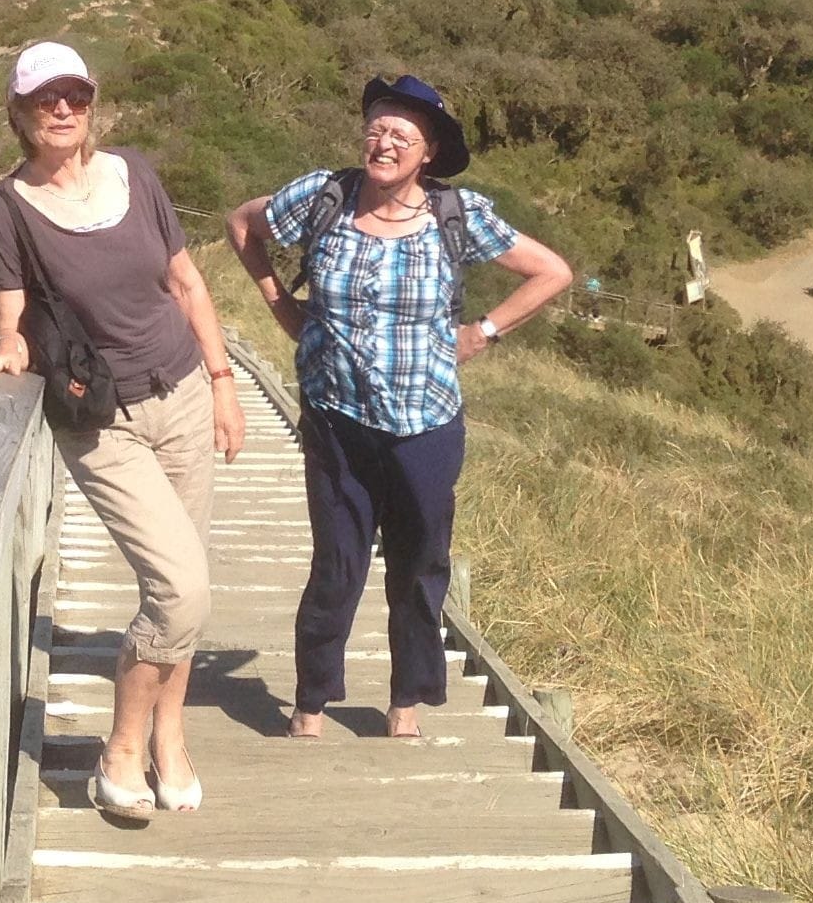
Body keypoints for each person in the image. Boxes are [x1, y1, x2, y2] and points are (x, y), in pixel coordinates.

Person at [229, 74, 573, 740]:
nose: (383, 142)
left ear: (428, 155)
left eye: (402, 136)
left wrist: (484, 331)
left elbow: (551, 271)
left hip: (426, 425)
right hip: (336, 417)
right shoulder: (323, 197)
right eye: (377, 128)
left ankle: (405, 701)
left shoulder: (458, 215)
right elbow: (243, 224)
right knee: (336, 565)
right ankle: (311, 702)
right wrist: (279, 301)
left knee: (419, 565)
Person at [0, 40, 245, 815]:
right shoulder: (4, 209)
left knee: (180, 588)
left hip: (186, 393)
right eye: (44, 99)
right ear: (19, 113)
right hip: (104, 418)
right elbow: (13, 316)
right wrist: (7, 346)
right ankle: (121, 746)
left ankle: (170, 737)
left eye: (76, 95)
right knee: (181, 584)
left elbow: (186, 283)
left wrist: (224, 386)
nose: (63, 110)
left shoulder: (136, 174)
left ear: (93, 103)